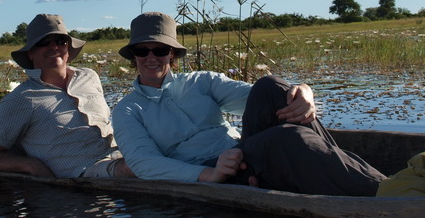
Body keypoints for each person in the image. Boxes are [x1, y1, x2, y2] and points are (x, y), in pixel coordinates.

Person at [111, 12, 386, 196]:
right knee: (285, 138)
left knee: (270, 86)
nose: (151, 57)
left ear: (172, 54)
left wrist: (305, 91)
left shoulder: (201, 81)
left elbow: (264, 99)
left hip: (241, 150)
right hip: (212, 170)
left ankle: (357, 175)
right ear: (132, 56)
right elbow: (145, 164)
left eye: (159, 50)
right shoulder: (127, 110)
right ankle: (388, 192)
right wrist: (211, 174)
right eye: (142, 50)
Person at [0, 14, 135, 179]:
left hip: (122, 155)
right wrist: (31, 165)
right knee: (140, 168)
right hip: (85, 170)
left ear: (68, 49)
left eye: (60, 41)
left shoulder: (89, 76)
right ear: (31, 53)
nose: (54, 47)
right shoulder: (22, 98)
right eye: (44, 42)